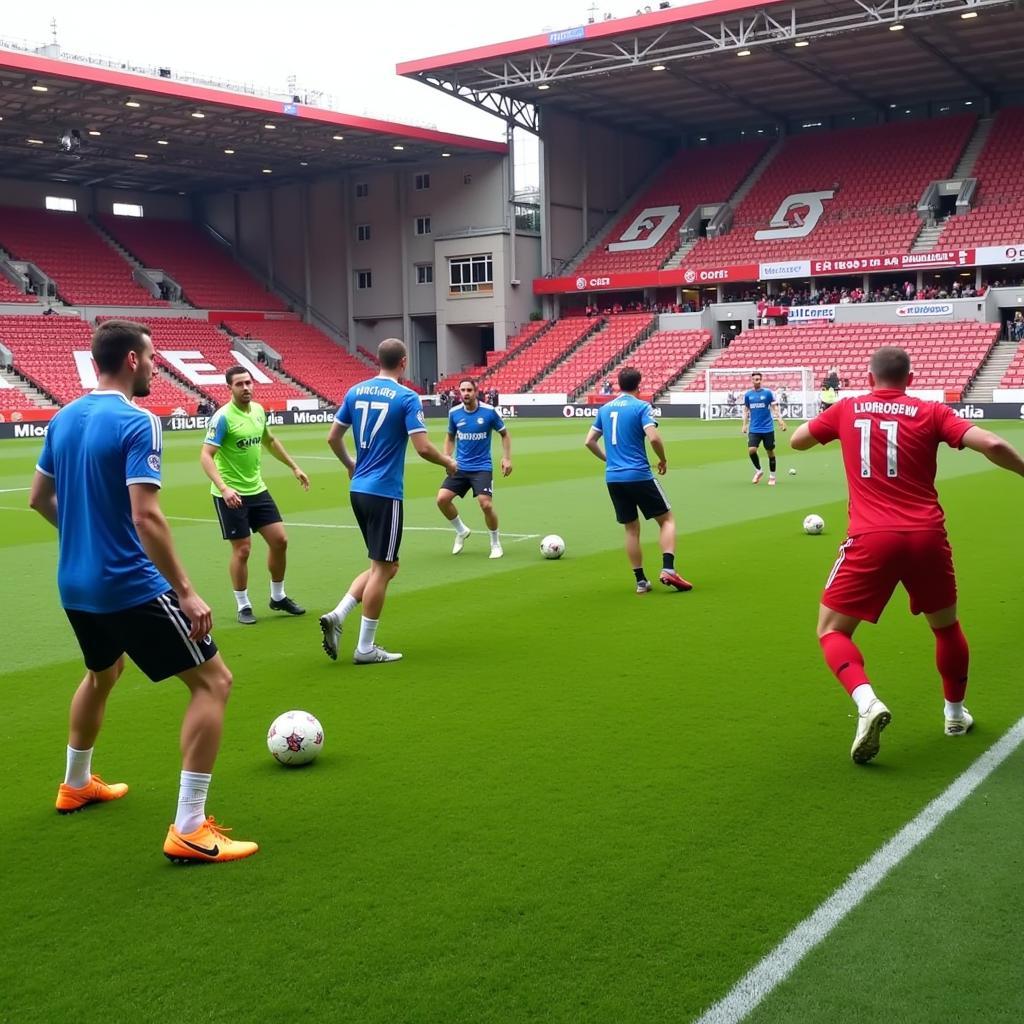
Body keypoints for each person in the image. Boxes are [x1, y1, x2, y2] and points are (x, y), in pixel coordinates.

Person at [29, 319, 257, 863]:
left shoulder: (61, 418)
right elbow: (146, 516)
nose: (156, 366)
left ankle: (76, 783)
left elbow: (39, 498)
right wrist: (186, 590)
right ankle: (190, 826)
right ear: (132, 360)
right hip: (128, 583)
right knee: (214, 683)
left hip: (75, 583)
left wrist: (85, 538)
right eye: (152, 357)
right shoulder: (139, 422)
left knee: (102, 673)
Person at [790, 345, 1024, 764]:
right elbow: (989, 442)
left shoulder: (847, 408)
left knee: (831, 631)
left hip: (870, 538)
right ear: (910, 379)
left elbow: (798, 440)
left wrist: (839, 424)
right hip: (926, 537)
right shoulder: (931, 412)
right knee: (946, 627)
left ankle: (867, 703)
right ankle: (954, 714)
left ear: (868, 377)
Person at [320, 338, 456, 664]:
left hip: (359, 489)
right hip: (385, 492)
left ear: (378, 359)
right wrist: (449, 463)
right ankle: (365, 648)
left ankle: (339, 615)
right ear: (404, 362)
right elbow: (423, 448)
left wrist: (351, 465)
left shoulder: (355, 391)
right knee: (383, 569)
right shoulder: (407, 397)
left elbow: (332, 437)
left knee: (385, 565)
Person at [201, 366, 309, 625]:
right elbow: (206, 455)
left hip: (257, 489)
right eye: (239, 384)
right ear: (230, 388)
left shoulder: (259, 411)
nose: (246, 388)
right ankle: (243, 605)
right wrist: (225, 489)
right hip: (231, 494)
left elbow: (269, 441)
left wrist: (294, 467)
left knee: (280, 540)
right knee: (243, 550)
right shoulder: (223, 417)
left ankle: (278, 596)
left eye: (248, 382)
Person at [584, 366, 693, 595]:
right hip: (639, 474)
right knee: (667, 520)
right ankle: (668, 569)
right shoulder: (642, 406)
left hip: (613, 477)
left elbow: (589, 441)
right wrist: (662, 459)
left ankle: (641, 582)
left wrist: (608, 459)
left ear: (619, 385)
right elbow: (653, 437)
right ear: (639, 385)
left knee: (631, 529)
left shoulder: (605, 409)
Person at [437, 378, 512, 559]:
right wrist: (447, 458)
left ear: (476, 392)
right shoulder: (454, 413)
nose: (466, 393)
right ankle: (461, 531)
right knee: (442, 500)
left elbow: (504, 434)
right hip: (460, 467)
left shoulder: (488, 412)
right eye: (462, 390)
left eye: (469, 390)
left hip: (482, 467)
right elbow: (450, 436)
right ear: (459, 393)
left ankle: (495, 543)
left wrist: (506, 458)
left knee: (485, 504)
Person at [741, 371, 787, 485]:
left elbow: (774, 407)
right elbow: (746, 410)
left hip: (767, 428)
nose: (757, 381)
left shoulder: (767, 393)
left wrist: (780, 421)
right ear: (752, 380)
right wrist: (744, 424)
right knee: (751, 450)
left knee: (770, 452)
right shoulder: (748, 395)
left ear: (761, 380)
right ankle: (759, 471)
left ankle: (772, 476)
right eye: (755, 379)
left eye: (759, 379)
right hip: (754, 428)